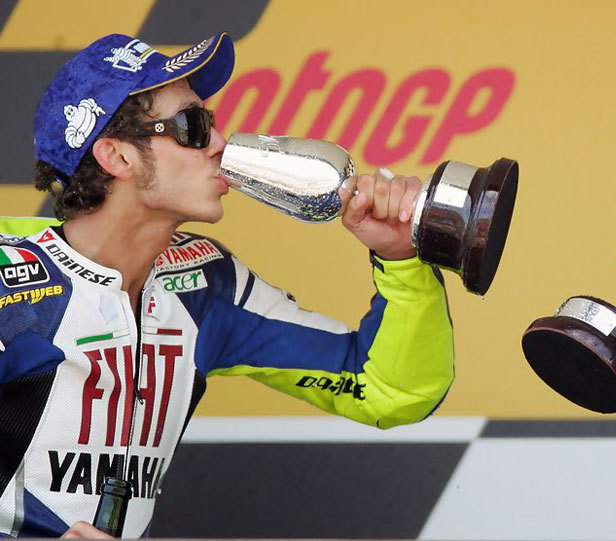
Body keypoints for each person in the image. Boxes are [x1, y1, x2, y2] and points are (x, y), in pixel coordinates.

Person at [0, 32, 455, 538]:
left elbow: (387, 389)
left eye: (210, 122)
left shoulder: (207, 282)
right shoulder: (8, 283)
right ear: (117, 157)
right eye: (192, 127)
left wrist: (401, 262)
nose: (220, 143)